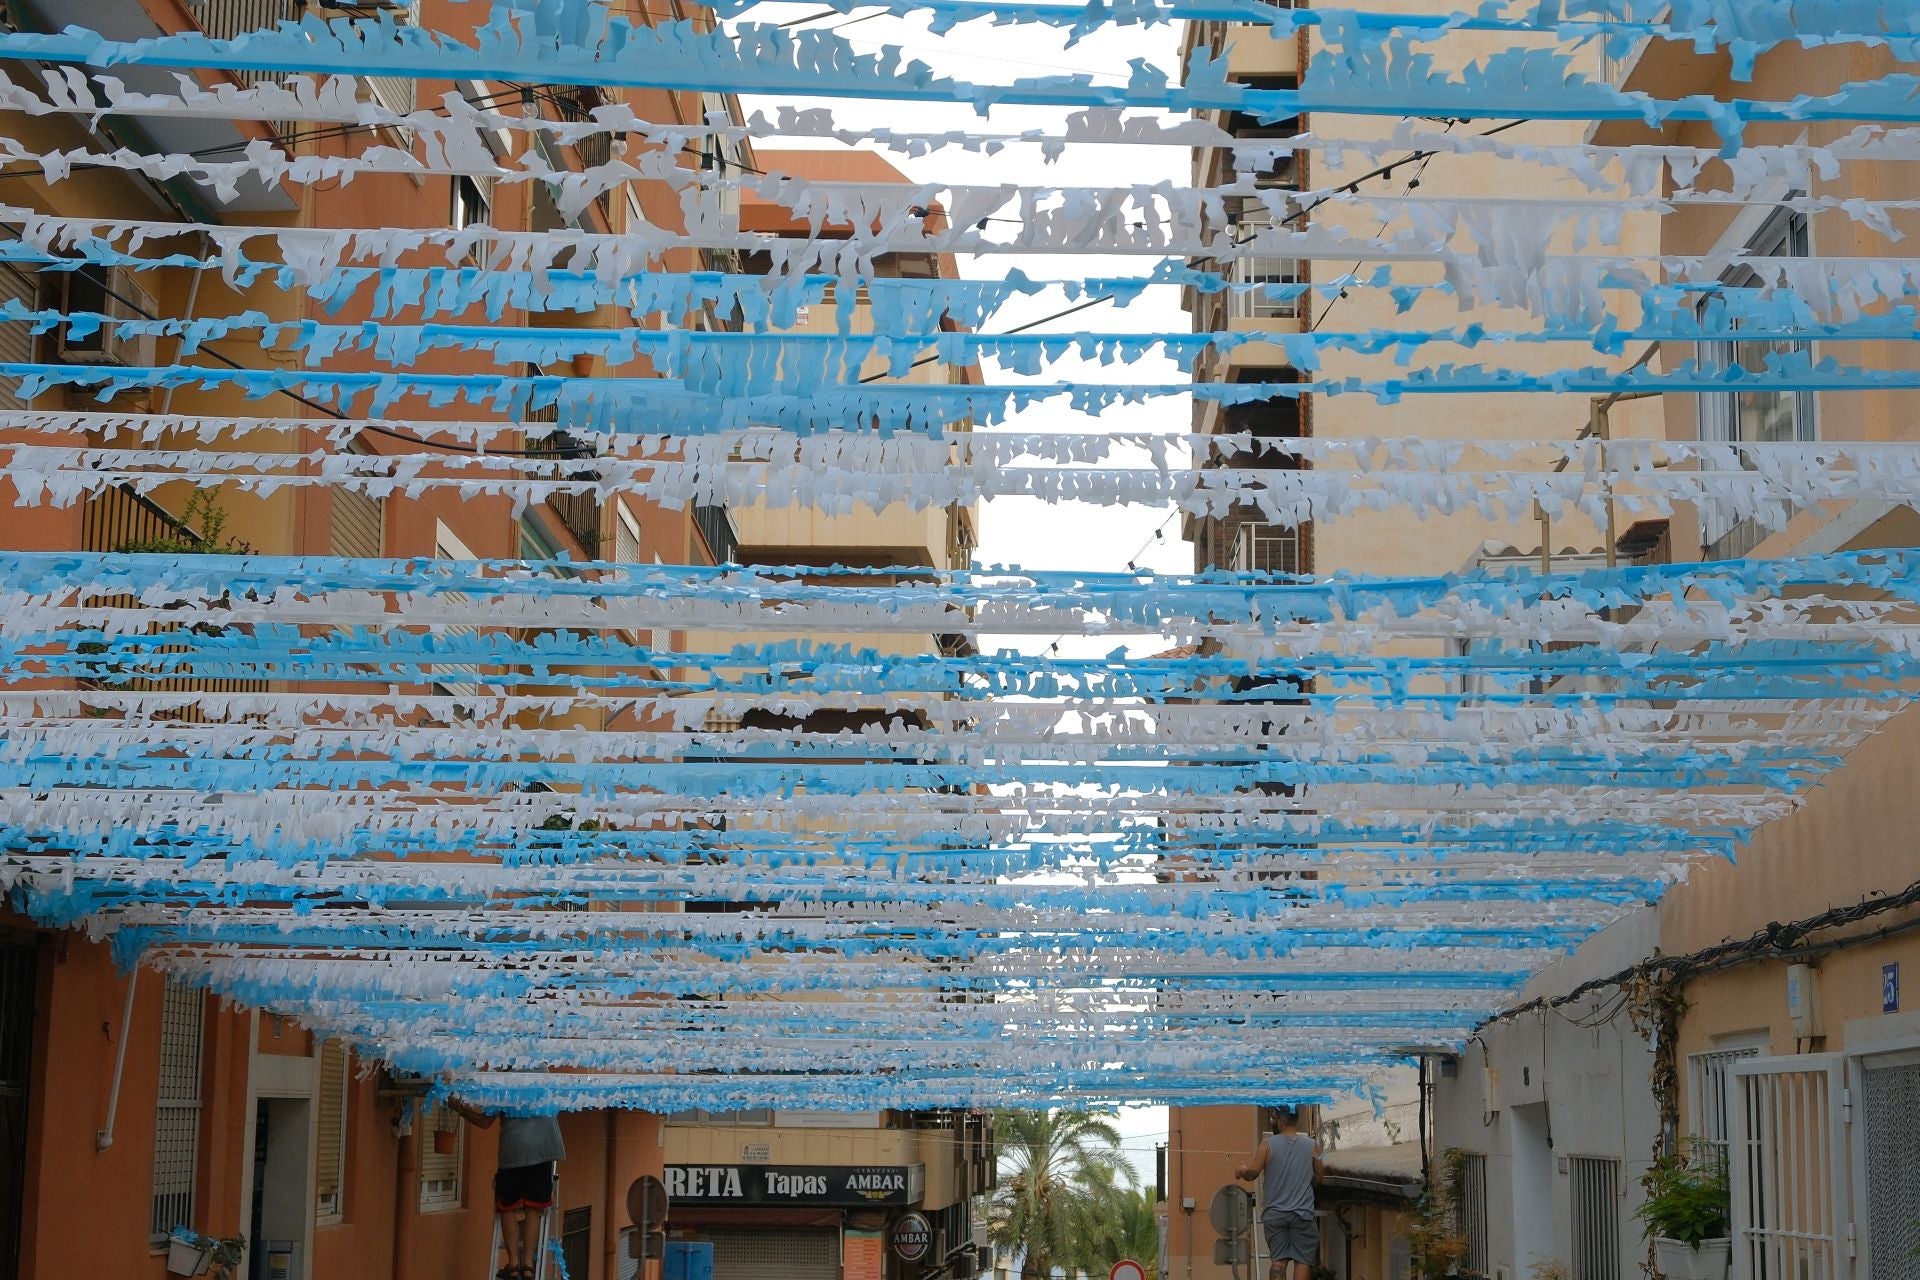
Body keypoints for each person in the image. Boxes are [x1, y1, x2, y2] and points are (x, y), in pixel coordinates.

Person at [448, 1096, 567, 1280]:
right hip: (543, 1151)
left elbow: (484, 1122)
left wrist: (458, 1107)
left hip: (514, 1151)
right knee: (533, 1209)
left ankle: (512, 1263)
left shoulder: (502, 1085)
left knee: (507, 1207)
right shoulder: (546, 1080)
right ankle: (527, 1264)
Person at [1235, 1105, 1323, 1280]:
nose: (1272, 1122)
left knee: (1278, 1260)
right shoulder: (1313, 1146)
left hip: (1275, 1214)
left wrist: (1241, 1170)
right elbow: (1320, 1176)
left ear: (1282, 1121)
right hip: (1302, 1213)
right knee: (1302, 1260)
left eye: (1274, 1119)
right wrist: (1307, 1186)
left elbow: (1252, 1173)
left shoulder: (1267, 1145)